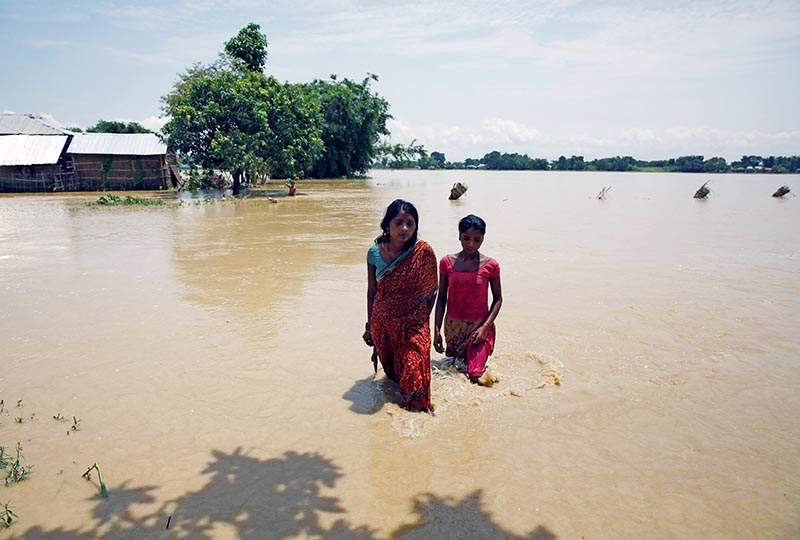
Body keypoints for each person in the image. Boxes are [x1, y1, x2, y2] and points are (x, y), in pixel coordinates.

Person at [362, 199, 438, 414]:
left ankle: (417, 412)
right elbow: (372, 292)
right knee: (396, 374)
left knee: (415, 363)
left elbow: (432, 289)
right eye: (399, 222)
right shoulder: (374, 253)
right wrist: (370, 327)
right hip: (383, 323)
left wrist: (423, 320)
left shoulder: (422, 253)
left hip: (415, 323)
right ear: (387, 224)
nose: (404, 228)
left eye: (410, 223)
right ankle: (398, 422)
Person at [433, 214, 502, 384]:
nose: (471, 244)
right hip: (454, 328)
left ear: (483, 239)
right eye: (466, 238)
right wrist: (436, 329)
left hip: (479, 328)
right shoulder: (446, 263)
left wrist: (485, 327)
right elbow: (441, 297)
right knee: (453, 371)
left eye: (477, 240)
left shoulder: (491, 265)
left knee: (475, 376)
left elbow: (498, 298)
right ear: (459, 237)